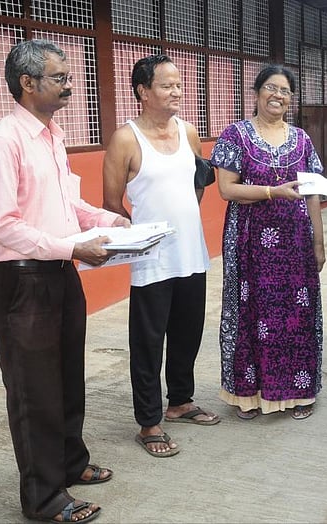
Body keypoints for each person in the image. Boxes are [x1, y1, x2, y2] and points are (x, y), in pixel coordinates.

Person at [0, 39, 128, 523]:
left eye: (67, 77)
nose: (69, 85)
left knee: (66, 379)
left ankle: (69, 463)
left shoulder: (52, 137)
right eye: (59, 78)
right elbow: (3, 226)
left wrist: (109, 220)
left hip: (61, 274)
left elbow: (67, 206)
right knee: (33, 392)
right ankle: (43, 498)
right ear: (27, 82)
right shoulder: (2, 142)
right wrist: (72, 248)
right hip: (24, 283)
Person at [102, 54, 217, 459]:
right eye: (167, 85)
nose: (177, 92)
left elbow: (198, 183)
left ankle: (180, 401)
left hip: (191, 252)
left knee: (188, 332)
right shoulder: (126, 139)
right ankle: (149, 421)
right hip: (151, 259)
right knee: (148, 342)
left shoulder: (188, 132)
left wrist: (181, 223)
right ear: (143, 91)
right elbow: (111, 202)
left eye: (179, 84)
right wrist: (142, 237)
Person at [210, 65, 325, 422]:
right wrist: (272, 192)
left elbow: (312, 193)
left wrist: (318, 243)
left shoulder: (302, 140)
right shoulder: (235, 135)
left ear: (291, 99)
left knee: (297, 315)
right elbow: (227, 189)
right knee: (252, 314)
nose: (278, 95)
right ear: (257, 92)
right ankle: (248, 395)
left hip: (295, 244)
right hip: (250, 243)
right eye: (271, 88)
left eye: (285, 91)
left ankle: (299, 391)